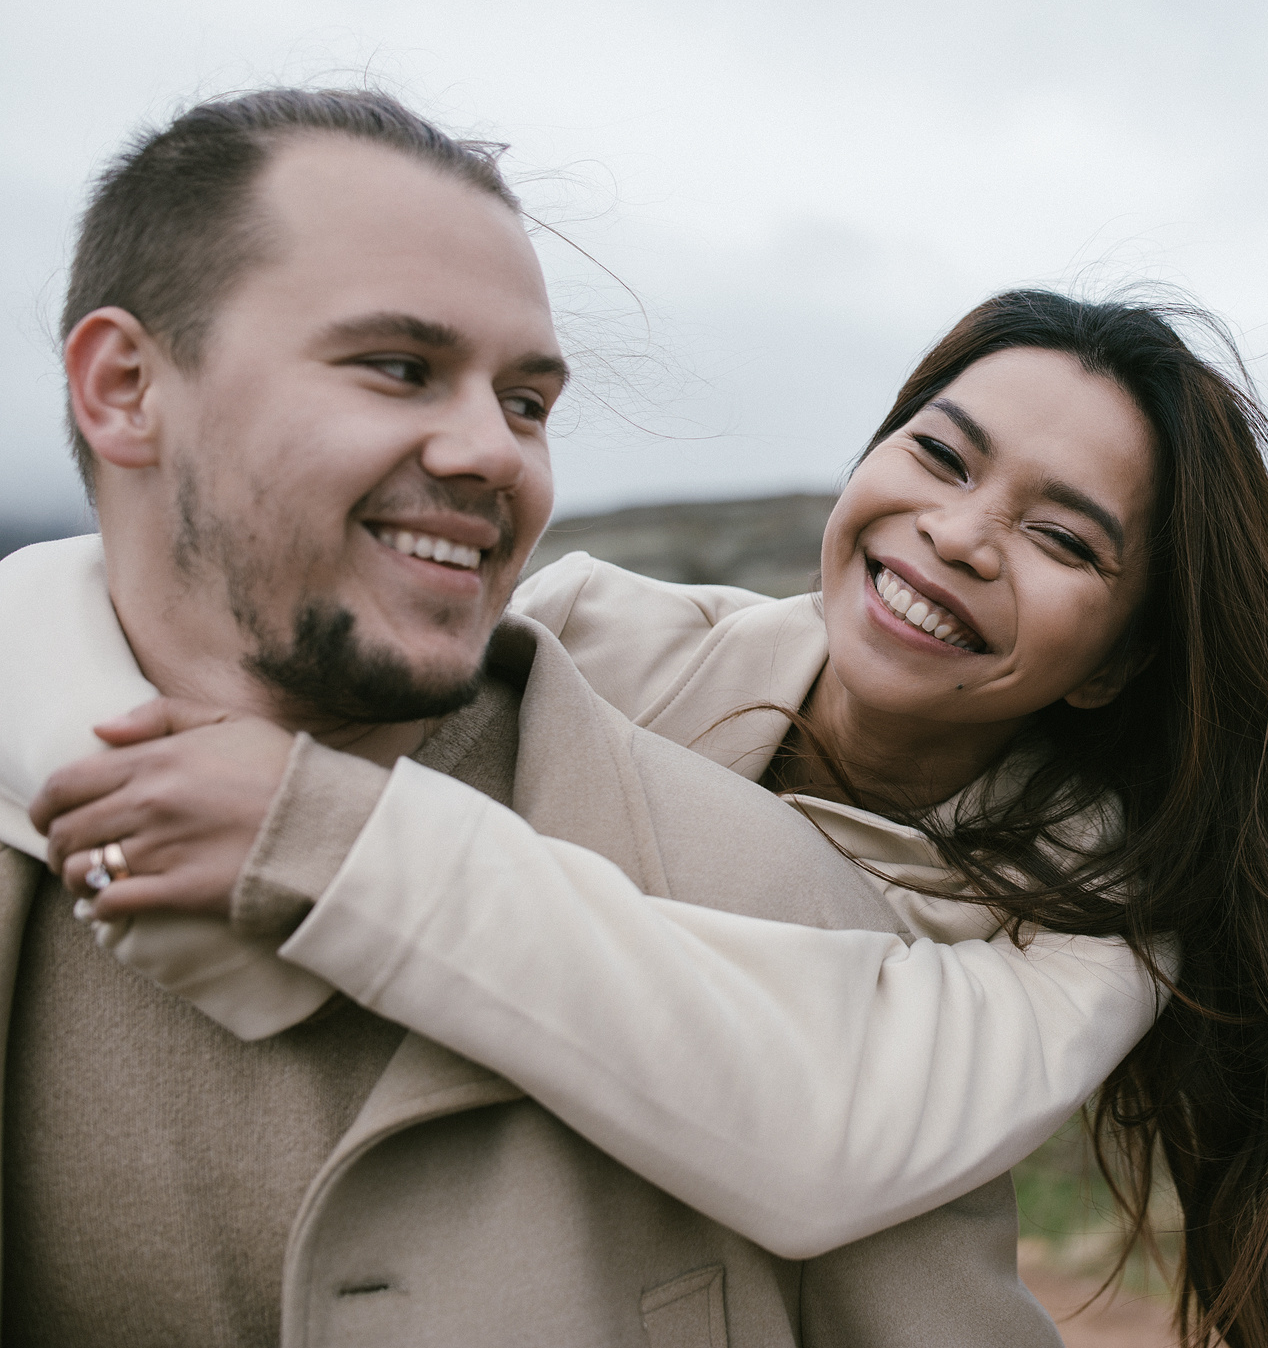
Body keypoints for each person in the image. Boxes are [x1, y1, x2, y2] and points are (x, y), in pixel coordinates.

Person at [29, 284, 1268, 1343]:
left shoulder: (1100, 920)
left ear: (1124, 660)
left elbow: (826, 1126)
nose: (960, 532)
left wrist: (329, 839)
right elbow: (107, 612)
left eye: (1063, 536)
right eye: (941, 457)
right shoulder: (591, 635)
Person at [0, 87, 1067, 1346]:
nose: (498, 454)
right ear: (123, 386)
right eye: (399, 368)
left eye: (526, 403)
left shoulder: (772, 894)